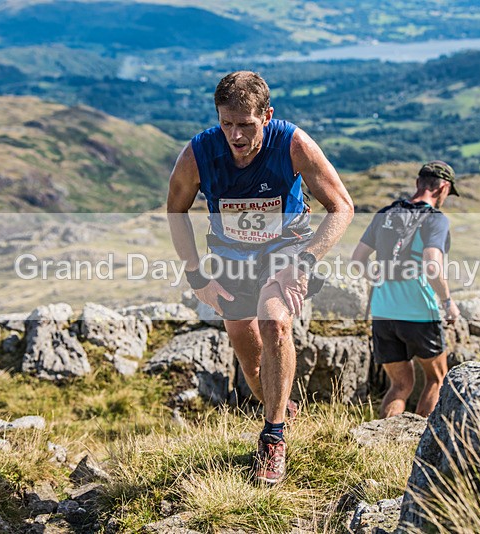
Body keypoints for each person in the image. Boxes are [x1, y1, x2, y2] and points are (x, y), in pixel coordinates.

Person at [167, 71, 353, 483]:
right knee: (252, 365)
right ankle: (282, 410)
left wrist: (303, 262)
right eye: (226, 123)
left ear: (266, 115)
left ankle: (273, 439)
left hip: (285, 251)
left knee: (274, 322)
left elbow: (341, 207)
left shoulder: (293, 144)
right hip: (231, 260)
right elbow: (175, 211)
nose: (235, 135)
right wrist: (197, 277)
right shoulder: (198, 153)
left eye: (246, 125)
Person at [351, 161, 461, 419]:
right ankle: (420, 442)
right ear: (443, 187)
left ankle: (383, 445)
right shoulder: (435, 219)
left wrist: (375, 276)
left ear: (418, 183)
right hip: (418, 310)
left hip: (382, 311)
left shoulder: (386, 213)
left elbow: (357, 260)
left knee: (400, 385)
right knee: (437, 377)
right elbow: (432, 265)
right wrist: (447, 302)